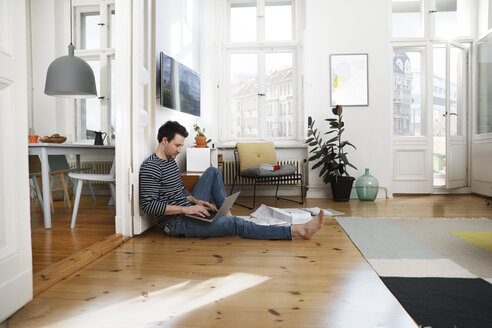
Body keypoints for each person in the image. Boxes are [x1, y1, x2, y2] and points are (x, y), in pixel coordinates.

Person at [139, 120, 324, 240]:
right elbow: (148, 205)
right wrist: (187, 209)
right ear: (164, 140)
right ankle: (298, 231)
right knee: (236, 225)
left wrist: (196, 201)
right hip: (175, 223)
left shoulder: (170, 161)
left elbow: (180, 192)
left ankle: (225, 216)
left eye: (181, 146)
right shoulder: (150, 167)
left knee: (212, 171)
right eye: (177, 145)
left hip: (187, 210)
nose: (180, 150)